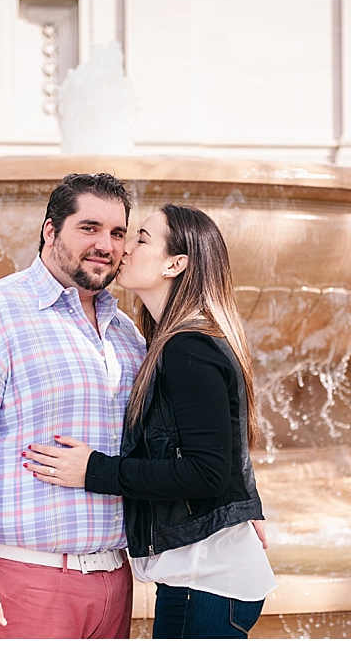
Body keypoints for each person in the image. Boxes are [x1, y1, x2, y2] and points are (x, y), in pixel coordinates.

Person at [0, 173, 146, 639]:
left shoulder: (127, 334)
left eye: (118, 233)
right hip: (14, 580)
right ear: (50, 230)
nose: (106, 244)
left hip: (113, 582)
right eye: (89, 228)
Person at [24, 203, 277, 639]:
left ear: (175, 264)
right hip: (211, 582)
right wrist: (245, 501)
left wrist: (94, 470)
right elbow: (223, 443)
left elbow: (206, 472)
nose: (123, 249)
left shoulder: (188, 348)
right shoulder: (176, 341)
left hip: (205, 584)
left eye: (141, 239)